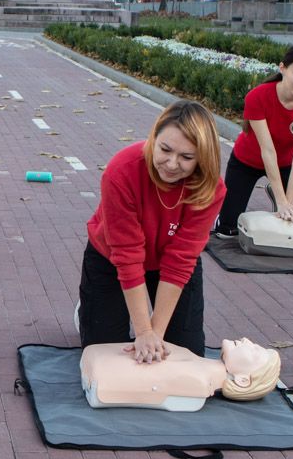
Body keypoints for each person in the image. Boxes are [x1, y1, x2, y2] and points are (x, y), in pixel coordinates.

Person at [77, 100, 226, 362]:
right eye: (165, 149)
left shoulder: (210, 188)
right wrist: (143, 331)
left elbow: (181, 258)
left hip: (170, 262)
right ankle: (88, 310)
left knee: (184, 352)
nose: (171, 164)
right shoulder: (121, 171)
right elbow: (127, 254)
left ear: (202, 158)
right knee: (106, 352)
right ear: (153, 137)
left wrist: (155, 335)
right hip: (112, 257)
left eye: (187, 157)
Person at [214, 44, 293, 237]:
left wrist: (288, 204)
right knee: (226, 231)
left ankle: (277, 193)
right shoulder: (258, 97)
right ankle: (225, 217)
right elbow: (267, 150)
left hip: (286, 165)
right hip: (247, 161)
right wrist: (281, 200)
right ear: (282, 68)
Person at [80, 337, 280, 411]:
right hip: (98, 362)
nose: (246, 340)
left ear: (243, 380)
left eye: (254, 350)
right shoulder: (192, 360)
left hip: (101, 372)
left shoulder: (197, 381)